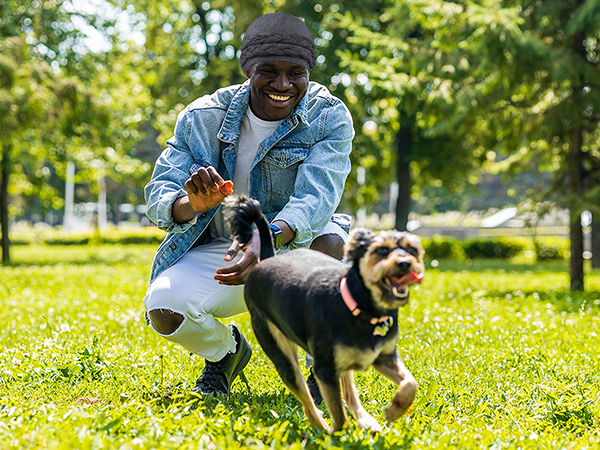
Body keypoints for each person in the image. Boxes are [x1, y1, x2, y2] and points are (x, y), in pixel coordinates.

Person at [143, 12, 354, 398]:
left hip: (296, 243)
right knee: (165, 308)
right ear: (248, 70)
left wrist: (266, 237)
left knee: (331, 244)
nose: (283, 84)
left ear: (308, 73)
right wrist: (190, 204)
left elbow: (316, 198)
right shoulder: (203, 116)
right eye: (268, 71)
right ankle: (226, 354)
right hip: (228, 249)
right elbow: (160, 194)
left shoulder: (329, 116)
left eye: (296, 73)